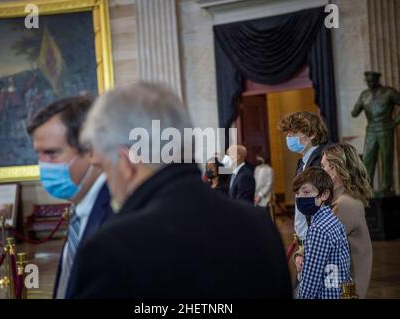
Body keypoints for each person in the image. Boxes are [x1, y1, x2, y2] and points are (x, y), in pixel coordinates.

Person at [68, 82, 292, 298]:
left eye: (106, 167)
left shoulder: (109, 250)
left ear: (126, 162)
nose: (108, 180)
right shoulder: (259, 224)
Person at [26, 96, 115, 299]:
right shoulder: (81, 210)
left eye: (52, 154)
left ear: (91, 150)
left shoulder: (117, 213)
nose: (43, 165)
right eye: (38, 155)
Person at [321, 143, 373, 298]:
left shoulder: (344, 204)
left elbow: (321, 244)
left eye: (324, 167)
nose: (321, 172)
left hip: (346, 290)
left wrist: (300, 254)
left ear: (335, 169)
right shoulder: (346, 198)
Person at [292, 167, 351, 299]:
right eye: (297, 193)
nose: (300, 197)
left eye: (306, 192)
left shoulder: (319, 229)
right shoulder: (332, 220)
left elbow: (310, 281)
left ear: (324, 195)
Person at [278, 111, 330, 242]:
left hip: (319, 239)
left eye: (294, 133)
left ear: (312, 134)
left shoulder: (324, 160)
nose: (289, 137)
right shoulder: (303, 162)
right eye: (288, 133)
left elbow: (324, 203)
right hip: (307, 238)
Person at [351, 71, 400, 195]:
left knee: (386, 157)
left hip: (385, 128)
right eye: (368, 81)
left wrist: (396, 121)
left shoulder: (389, 92)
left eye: (372, 81)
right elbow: (354, 113)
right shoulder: (364, 95)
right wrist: (358, 105)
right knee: (368, 158)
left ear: (378, 80)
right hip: (371, 130)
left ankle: (387, 187)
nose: (370, 83)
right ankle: (367, 187)